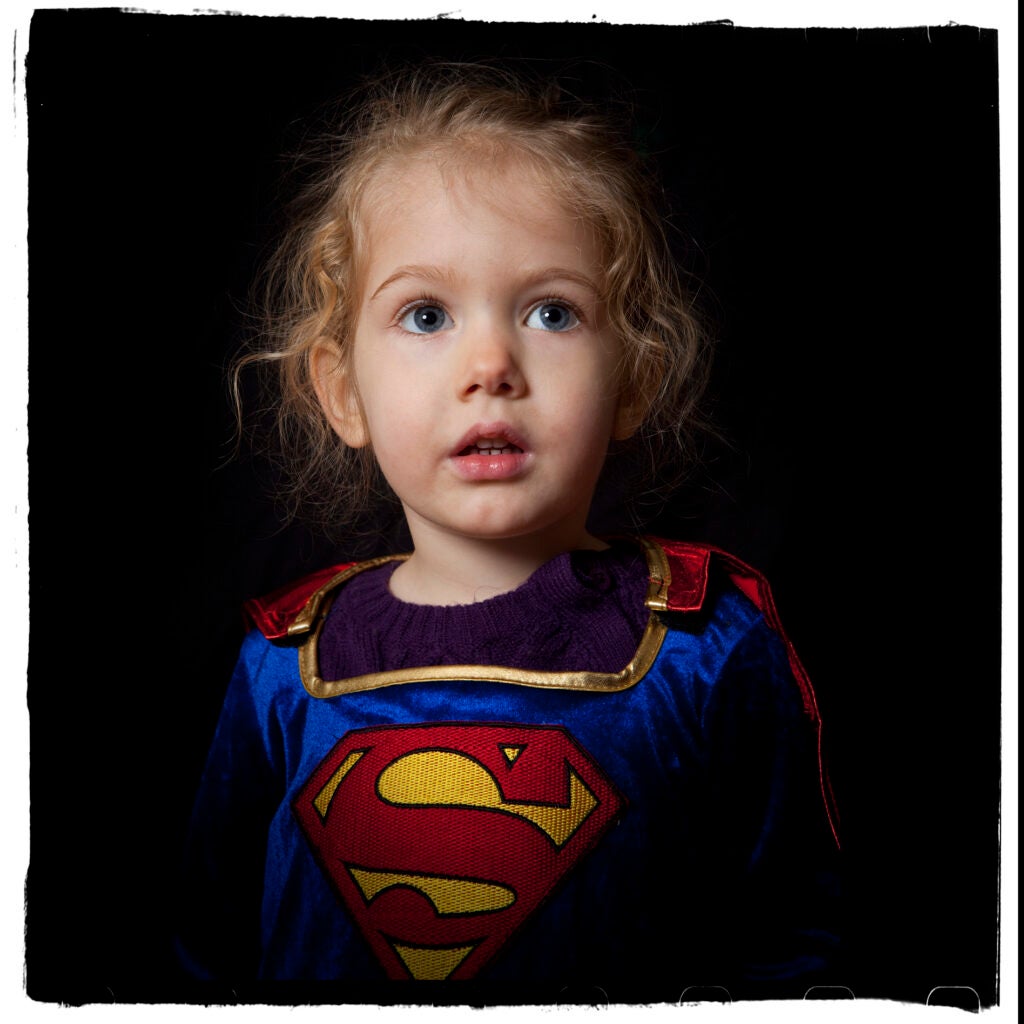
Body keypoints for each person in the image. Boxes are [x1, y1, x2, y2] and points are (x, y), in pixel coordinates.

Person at [177, 62, 840, 1003]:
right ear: (340, 390)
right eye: (426, 315)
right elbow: (209, 951)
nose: (491, 364)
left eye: (552, 312)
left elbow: (788, 947)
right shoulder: (285, 660)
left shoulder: (706, 647)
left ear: (635, 378)